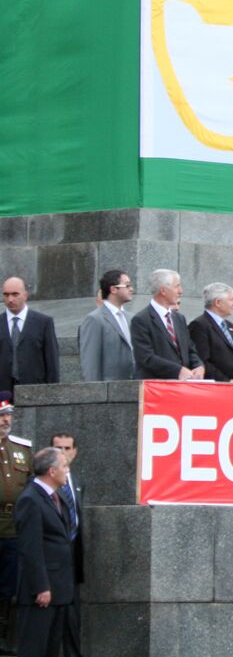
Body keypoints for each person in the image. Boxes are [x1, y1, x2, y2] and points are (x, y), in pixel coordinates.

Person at [13, 447, 78, 657]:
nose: (67, 471)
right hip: (41, 593)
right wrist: (41, 587)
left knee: (52, 648)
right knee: (34, 648)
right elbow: (30, 549)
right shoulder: (30, 499)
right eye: (64, 466)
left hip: (60, 590)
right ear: (51, 471)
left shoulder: (56, 497)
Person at [129, 270, 205, 381]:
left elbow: (189, 348)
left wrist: (198, 365)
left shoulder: (179, 318)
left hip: (182, 386)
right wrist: (178, 370)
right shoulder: (141, 320)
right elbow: (145, 357)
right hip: (156, 386)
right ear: (163, 291)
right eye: (177, 287)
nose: (180, 291)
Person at [0, 398, 31, 652]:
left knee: (8, 585)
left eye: (8, 415)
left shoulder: (21, 449)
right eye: (1, 416)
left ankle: (2, 634)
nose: (6, 420)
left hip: (12, 527)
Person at [47, 433, 81, 652]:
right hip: (52, 563)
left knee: (73, 618)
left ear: (74, 452)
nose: (63, 453)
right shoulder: (44, 484)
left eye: (67, 448)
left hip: (73, 560)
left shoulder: (77, 483)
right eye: (58, 448)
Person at [0, 278, 60, 394]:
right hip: (3, 395)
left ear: (25, 295)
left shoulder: (43, 322)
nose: (10, 299)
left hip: (35, 391)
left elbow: (51, 361)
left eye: (15, 294)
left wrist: (52, 392)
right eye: (6, 295)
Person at [77, 269, 135, 383]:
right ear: (113, 289)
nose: (131, 289)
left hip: (134, 387)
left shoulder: (132, 318)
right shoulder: (95, 319)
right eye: (127, 285)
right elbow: (90, 362)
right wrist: (95, 392)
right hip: (110, 390)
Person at [187, 283, 233, 382]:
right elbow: (202, 361)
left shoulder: (232, 327)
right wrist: (226, 381)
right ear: (218, 302)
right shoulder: (200, 325)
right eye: (231, 299)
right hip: (218, 387)